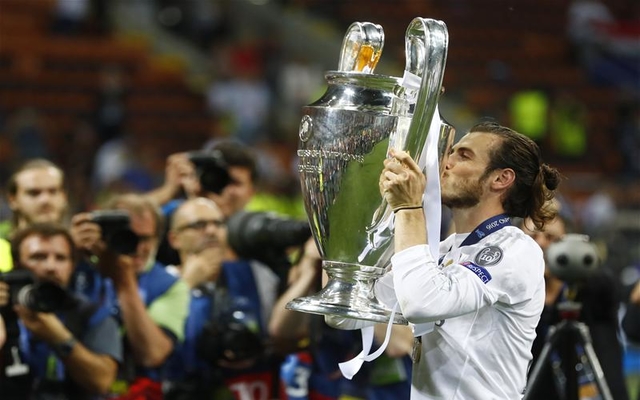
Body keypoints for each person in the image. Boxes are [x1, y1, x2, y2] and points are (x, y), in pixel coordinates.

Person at [330, 121, 562, 398]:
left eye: (463, 155)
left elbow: (421, 302)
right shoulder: (441, 251)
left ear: (500, 179)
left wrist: (408, 207)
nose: (446, 161)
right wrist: (355, 201)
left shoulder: (516, 249)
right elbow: (345, 313)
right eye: (450, 151)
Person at [69, 193, 190, 398]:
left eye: (145, 238)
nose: (135, 247)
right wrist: (69, 249)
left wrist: (124, 280)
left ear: (158, 239)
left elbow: (152, 354)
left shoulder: (169, 285)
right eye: (127, 235)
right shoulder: (77, 270)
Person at [162, 197, 281, 400]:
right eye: (198, 225)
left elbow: (282, 336)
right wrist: (186, 284)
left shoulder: (255, 274)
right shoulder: (160, 283)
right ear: (174, 239)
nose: (211, 231)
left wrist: (258, 350)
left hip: (251, 387)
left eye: (218, 223)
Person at [271, 238, 413, 400]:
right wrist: (310, 271)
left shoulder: (391, 266)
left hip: (394, 392)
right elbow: (281, 331)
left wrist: (357, 275)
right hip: (338, 390)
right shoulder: (316, 276)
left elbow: (399, 346)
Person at [0, 223, 121, 399]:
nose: (51, 266)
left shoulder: (91, 312)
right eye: (38, 257)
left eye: (61, 258)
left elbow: (102, 381)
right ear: (17, 265)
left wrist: (57, 335)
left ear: (72, 266)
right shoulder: (4, 312)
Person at [522, 214, 629, 399]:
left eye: (551, 238)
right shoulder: (517, 301)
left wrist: (572, 270)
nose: (541, 244)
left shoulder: (593, 291)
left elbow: (610, 287)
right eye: (532, 238)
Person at [0, 159, 69, 272]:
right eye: (34, 193)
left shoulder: (80, 247)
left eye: (53, 191)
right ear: (13, 200)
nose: (45, 200)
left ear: (64, 197)